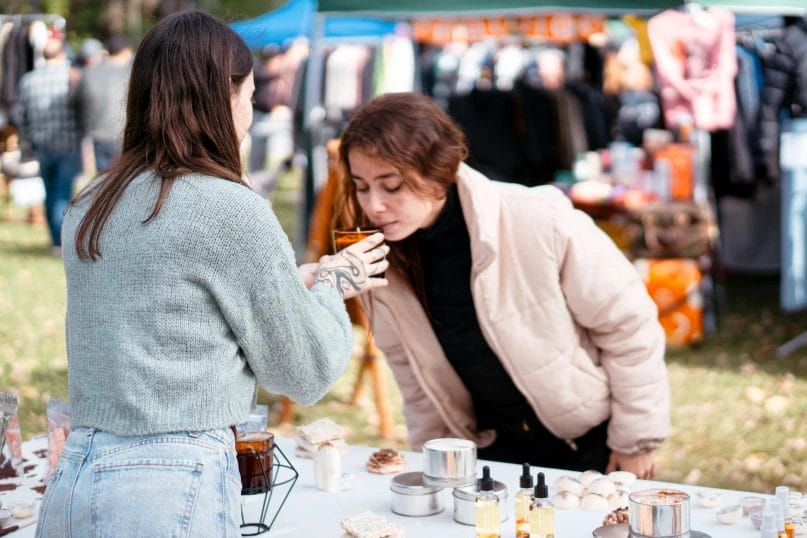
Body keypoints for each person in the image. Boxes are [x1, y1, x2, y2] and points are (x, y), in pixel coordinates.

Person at [35, 12, 388, 537]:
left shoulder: (92, 203)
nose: (252, 108)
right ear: (224, 96)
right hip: (166, 483)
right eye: (248, 93)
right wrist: (335, 283)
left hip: (78, 472)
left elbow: (174, 310)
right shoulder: (228, 209)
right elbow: (304, 371)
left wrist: (295, 283)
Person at [336, 92, 670, 478]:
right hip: (491, 458)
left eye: (391, 186)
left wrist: (635, 441)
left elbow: (629, 325)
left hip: (592, 445)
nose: (373, 205)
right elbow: (416, 382)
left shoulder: (537, 217)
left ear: (438, 171)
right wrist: (438, 462)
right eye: (361, 186)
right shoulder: (381, 264)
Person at [12, 37, 82, 256]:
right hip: (68, 143)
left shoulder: (28, 80)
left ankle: (55, 240)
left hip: (41, 144)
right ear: (62, 54)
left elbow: (19, 115)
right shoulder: (71, 77)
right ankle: (60, 242)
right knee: (63, 192)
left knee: (50, 190)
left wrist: (29, 137)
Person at [76, 34, 133, 172]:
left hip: (98, 134)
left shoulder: (89, 72)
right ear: (126, 51)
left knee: (105, 181)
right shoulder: (132, 71)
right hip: (125, 135)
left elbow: (78, 102)